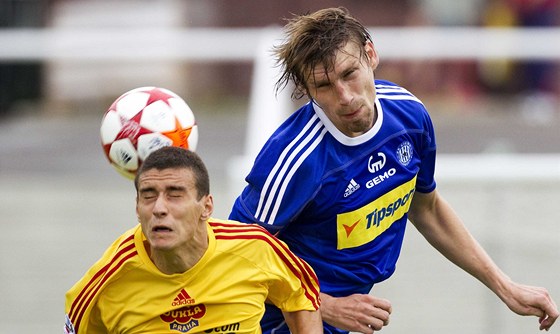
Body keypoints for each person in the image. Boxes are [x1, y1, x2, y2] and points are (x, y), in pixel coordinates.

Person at [229, 7, 558, 334]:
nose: (344, 96)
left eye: (349, 74)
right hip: (278, 323)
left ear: (370, 54)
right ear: (306, 88)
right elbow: (236, 258)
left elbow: (426, 206)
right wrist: (324, 305)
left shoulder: (408, 114)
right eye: (324, 85)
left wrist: (506, 286)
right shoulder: (296, 159)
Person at [64, 146, 322, 334]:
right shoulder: (107, 279)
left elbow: (302, 295)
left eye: (175, 194)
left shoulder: (255, 247)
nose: (159, 208)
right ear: (137, 207)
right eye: (149, 195)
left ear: (206, 207)